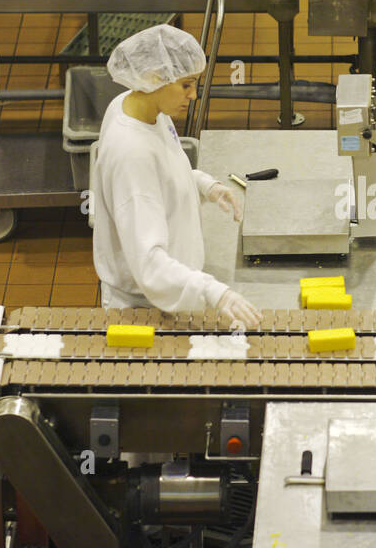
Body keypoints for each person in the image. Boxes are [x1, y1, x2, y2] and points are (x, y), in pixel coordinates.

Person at [91, 25, 262, 329]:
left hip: (172, 288)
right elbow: (150, 263)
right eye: (186, 85)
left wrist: (203, 185)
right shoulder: (131, 154)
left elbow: (164, 170)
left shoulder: (136, 107)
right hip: (146, 305)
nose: (193, 95)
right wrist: (215, 292)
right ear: (155, 77)